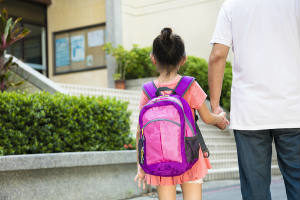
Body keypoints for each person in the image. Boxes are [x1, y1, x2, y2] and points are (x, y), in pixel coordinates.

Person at [208, 0, 300, 199]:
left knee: (255, 192)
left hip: (250, 114)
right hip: (293, 110)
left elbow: (217, 55)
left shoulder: (232, 5)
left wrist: (214, 106)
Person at [134, 27, 229, 200]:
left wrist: (140, 165)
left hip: (159, 159)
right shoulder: (190, 85)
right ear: (183, 59)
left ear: (153, 59)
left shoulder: (147, 91)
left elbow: (140, 131)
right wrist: (220, 120)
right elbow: (208, 118)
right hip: (190, 154)